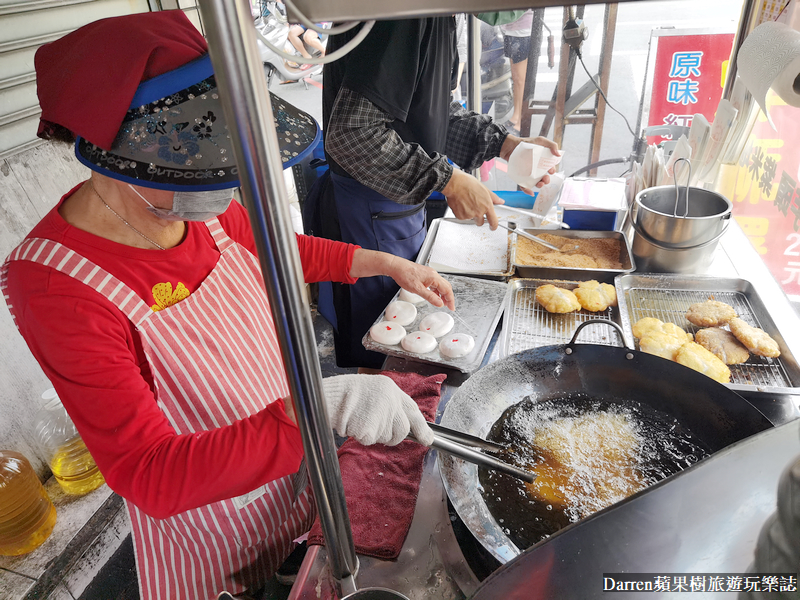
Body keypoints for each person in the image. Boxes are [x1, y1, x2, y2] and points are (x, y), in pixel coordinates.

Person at [1, 11, 449, 600]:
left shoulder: (189, 202)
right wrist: (316, 412)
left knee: (302, 558)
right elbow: (150, 473)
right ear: (112, 157)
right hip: (212, 508)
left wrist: (380, 262)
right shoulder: (57, 285)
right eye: (196, 169)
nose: (217, 190)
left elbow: (275, 248)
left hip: (290, 459)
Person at [304, 16, 559, 369]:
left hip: (396, 210)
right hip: (369, 213)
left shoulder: (437, 13)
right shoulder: (402, 19)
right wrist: (450, 180)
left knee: (408, 328)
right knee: (388, 350)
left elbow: (429, 111)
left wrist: (505, 145)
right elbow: (352, 135)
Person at [500, 10, 534, 135]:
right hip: (512, 29)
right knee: (516, 79)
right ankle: (516, 115)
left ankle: (521, 120)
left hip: (523, 30)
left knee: (520, 80)